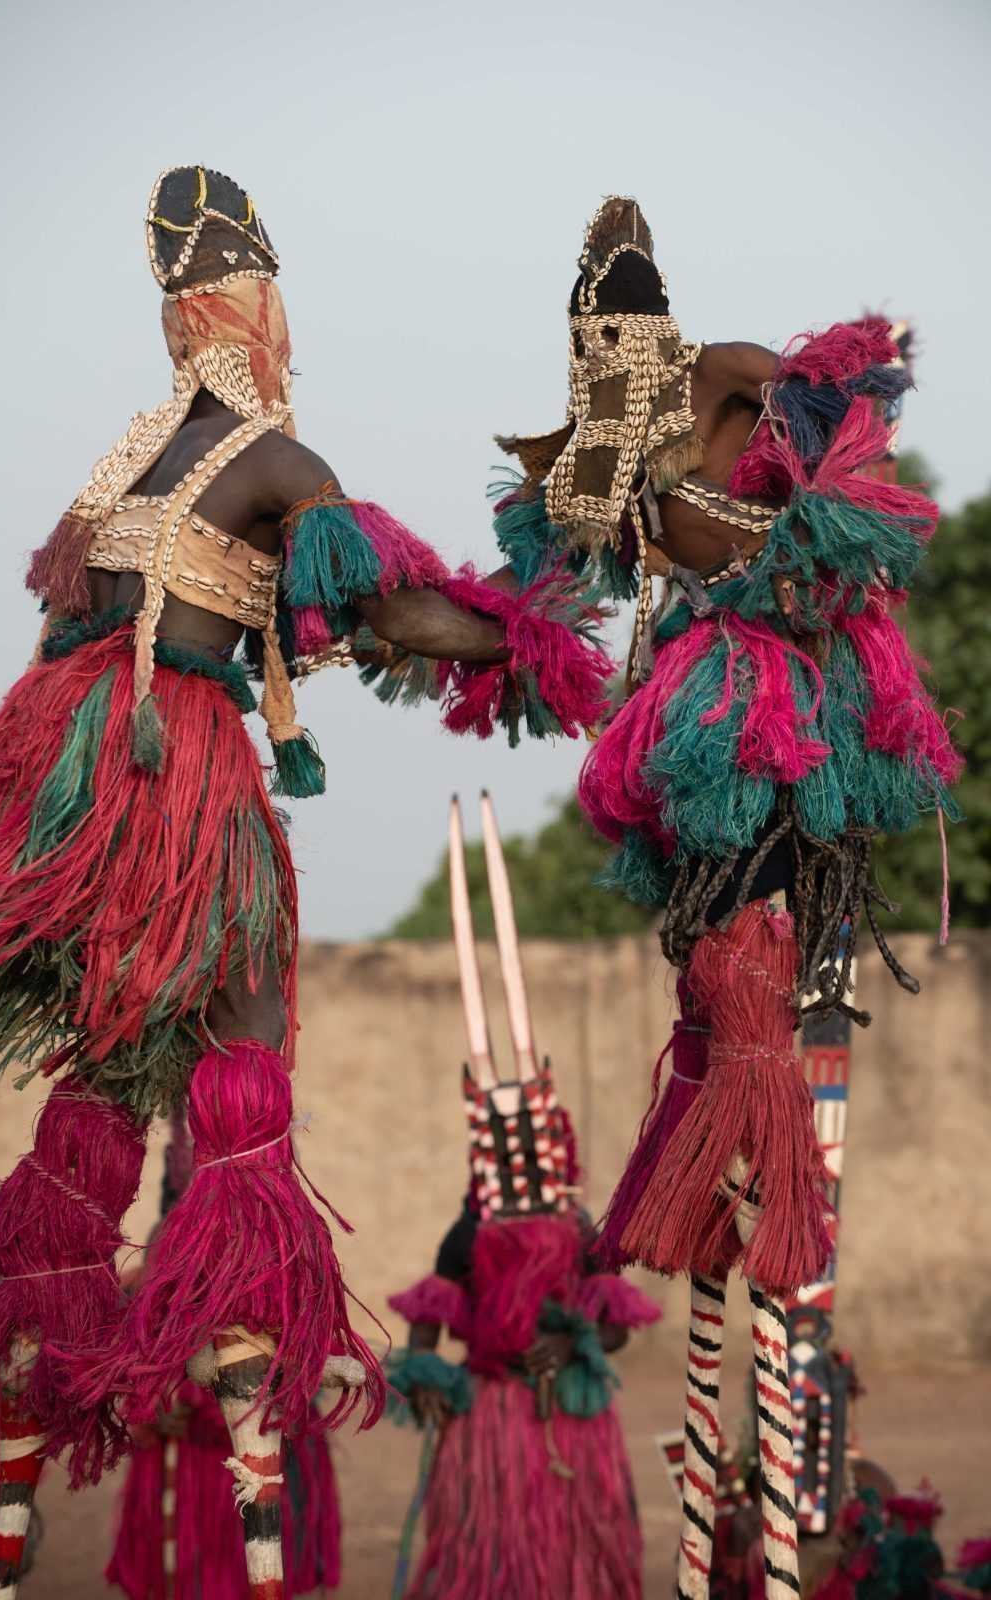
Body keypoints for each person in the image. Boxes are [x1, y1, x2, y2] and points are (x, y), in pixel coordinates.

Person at [0, 166, 611, 1596]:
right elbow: (392, 612)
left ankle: (10, 1524)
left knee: (95, 1118)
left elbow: (103, 624)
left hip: (83, 811)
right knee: (241, 1112)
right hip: (182, 796)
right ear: (255, 315)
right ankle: (257, 1517)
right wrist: (529, 631)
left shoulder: (124, 469)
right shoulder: (273, 461)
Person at [489, 195, 960, 1600]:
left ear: (657, 327)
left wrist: (806, 519)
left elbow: (846, 404)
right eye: (591, 341)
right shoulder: (598, 458)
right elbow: (540, 589)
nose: (609, 357)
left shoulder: (726, 380)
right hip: (704, 725)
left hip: (784, 714)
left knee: (764, 996)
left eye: (620, 331)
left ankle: (769, 1229)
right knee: (717, 985)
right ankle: (720, 1485)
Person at [386, 794, 660, 1600]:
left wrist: (573, 1349)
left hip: (571, 1419)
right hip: (491, 1417)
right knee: (489, 1561)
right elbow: (430, 1316)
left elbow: (615, 1329)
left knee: (577, 1560)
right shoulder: (468, 1230)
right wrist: (427, 1379)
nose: (514, 1152)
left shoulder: (579, 1228)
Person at [107, 1116, 341, 1599]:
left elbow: (309, 1325)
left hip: (266, 1424)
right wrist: (152, 1406)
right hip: (189, 1440)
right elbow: (148, 1335)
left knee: (258, 1563)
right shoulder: (173, 1236)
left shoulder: (285, 1231)